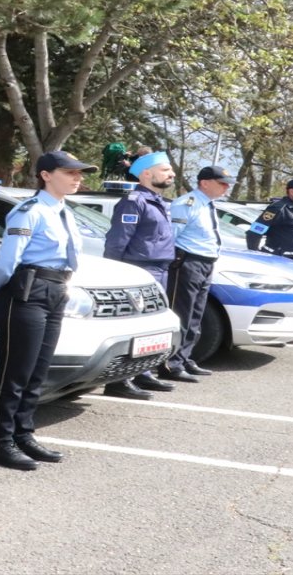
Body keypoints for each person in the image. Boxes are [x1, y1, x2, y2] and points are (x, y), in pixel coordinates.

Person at [0, 151, 96, 471]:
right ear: (46, 175)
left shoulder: (64, 211)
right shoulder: (30, 211)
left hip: (55, 290)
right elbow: (8, 258)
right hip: (27, 292)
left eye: (79, 173)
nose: (77, 178)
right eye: (69, 172)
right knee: (15, 372)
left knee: (37, 371)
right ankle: (1, 442)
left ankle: (23, 434)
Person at [101, 151, 185, 399]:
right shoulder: (134, 201)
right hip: (139, 270)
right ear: (146, 174)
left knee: (151, 327)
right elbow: (117, 240)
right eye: (165, 170)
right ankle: (119, 380)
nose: (172, 174)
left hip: (159, 270)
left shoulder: (158, 201)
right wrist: (113, 272)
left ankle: (143, 372)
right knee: (132, 326)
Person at [166, 165, 233, 377]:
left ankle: (185, 358)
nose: (226, 188)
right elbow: (171, 237)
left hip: (205, 263)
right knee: (182, 314)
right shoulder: (186, 204)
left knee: (196, 315)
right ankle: (171, 364)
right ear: (204, 183)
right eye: (222, 183)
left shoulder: (208, 204)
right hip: (188, 262)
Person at [246, 178, 293, 269]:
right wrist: (255, 254)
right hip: (280, 261)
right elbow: (255, 231)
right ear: (292, 191)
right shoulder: (278, 208)